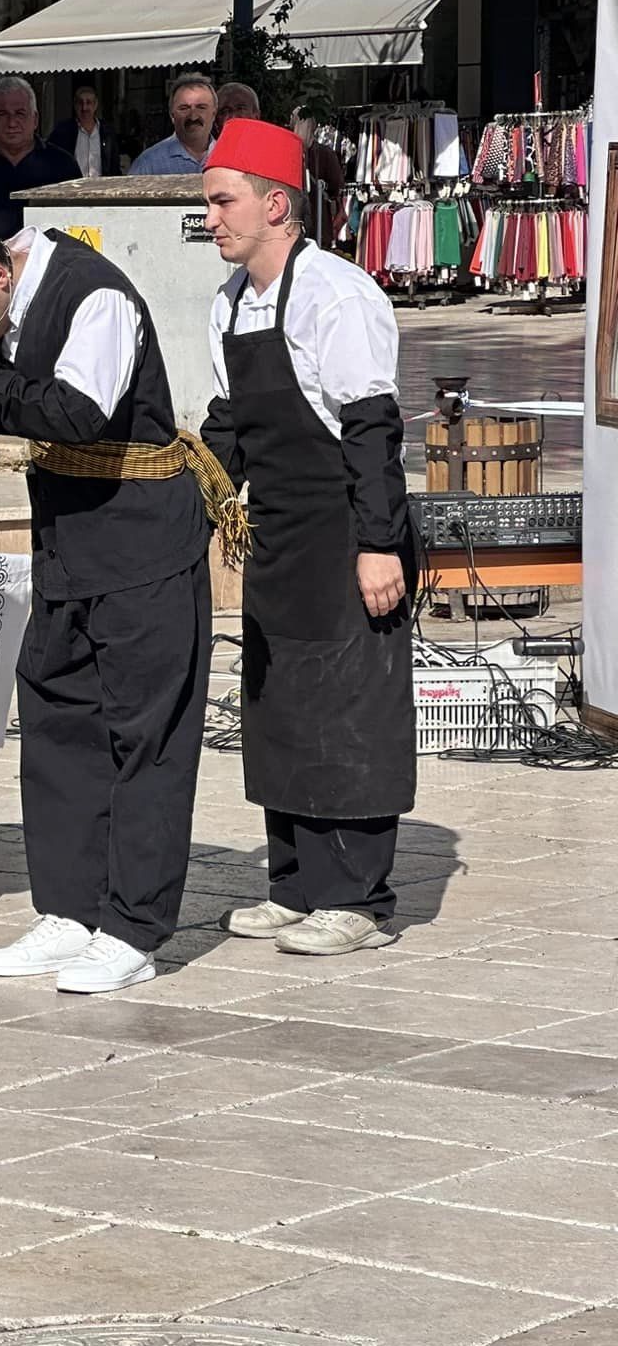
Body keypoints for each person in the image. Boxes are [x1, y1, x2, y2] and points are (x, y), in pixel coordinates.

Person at [0, 210, 242, 993]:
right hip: (67, 543)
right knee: (57, 723)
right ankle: (72, 912)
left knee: (145, 735)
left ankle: (134, 929)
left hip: (144, 540)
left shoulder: (92, 294)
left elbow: (77, 412)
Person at [200, 118, 415, 957]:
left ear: (276, 203)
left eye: (223, 201)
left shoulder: (338, 294)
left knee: (350, 708)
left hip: (347, 532)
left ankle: (357, 897)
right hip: (279, 539)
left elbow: (370, 428)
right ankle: (294, 883)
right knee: (280, 704)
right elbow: (229, 428)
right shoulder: (229, 304)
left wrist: (379, 543)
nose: (211, 217)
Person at [0, 78, 82, 240]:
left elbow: (79, 224)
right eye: (2, 114)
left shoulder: (64, 166)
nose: (12, 123)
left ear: (35, 120)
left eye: (20, 113)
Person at [129, 74, 218, 175]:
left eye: (201, 107)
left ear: (214, 114)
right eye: (184, 108)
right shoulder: (147, 164)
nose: (193, 116)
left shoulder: (231, 159)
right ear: (172, 115)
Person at [293, 108, 348, 248]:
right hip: (318, 221)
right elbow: (336, 186)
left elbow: (335, 186)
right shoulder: (325, 154)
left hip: (296, 220)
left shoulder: (288, 152)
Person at [49, 84, 120, 178]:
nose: (84, 108)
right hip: (72, 189)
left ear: (95, 105)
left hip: (101, 189)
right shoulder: (63, 131)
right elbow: (52, 162)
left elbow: (114, 167)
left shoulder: (107, 132)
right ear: (75, 105)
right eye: (80, 103)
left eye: (88, 102)